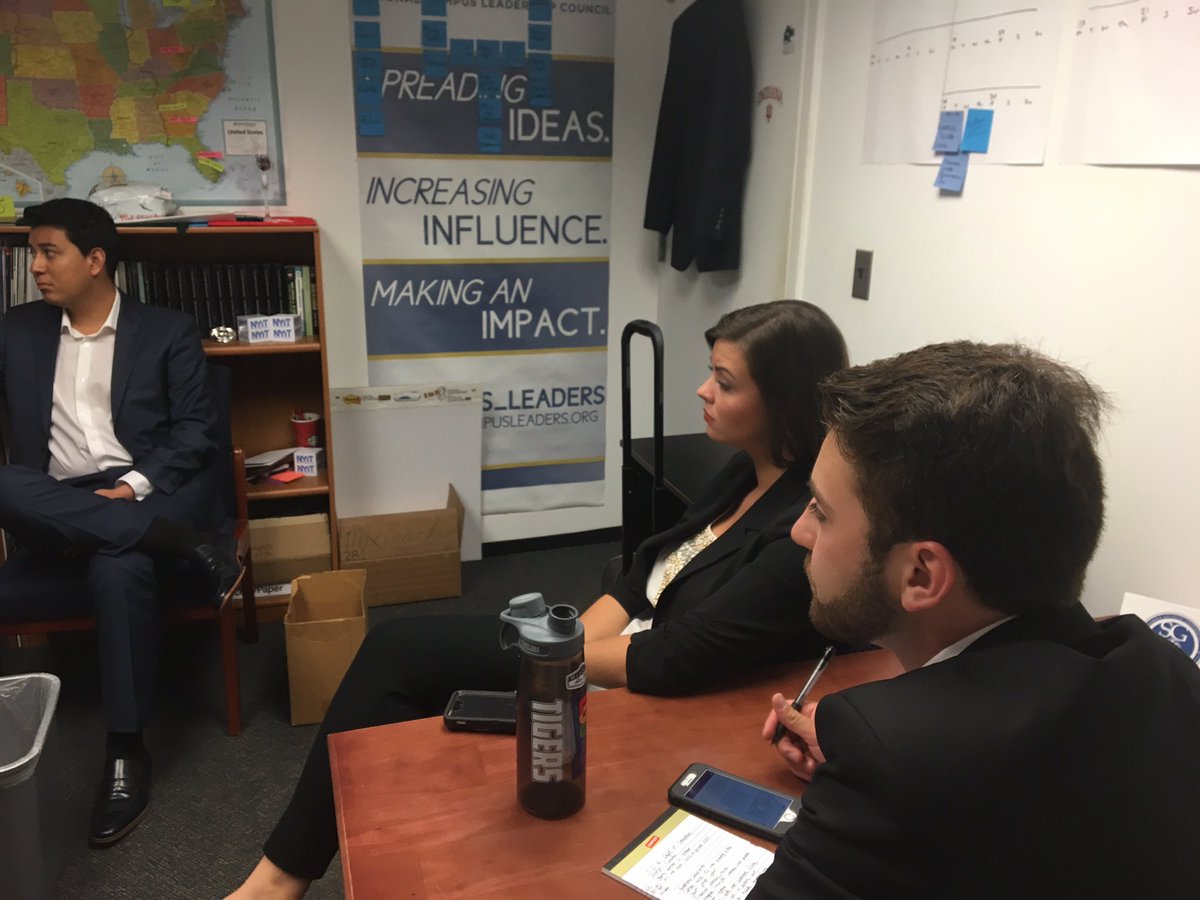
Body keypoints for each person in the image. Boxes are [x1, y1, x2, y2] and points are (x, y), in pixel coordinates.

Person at [227, 300, 849, 898]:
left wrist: (556, 662)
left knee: (398, 654)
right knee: (412, 673)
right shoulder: (747, 467)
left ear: (783, 403)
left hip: (648, 676)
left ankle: (277, 882)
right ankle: (343, 861)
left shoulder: (800, 529)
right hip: (602, 654)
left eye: (725, 382)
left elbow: (677, 654)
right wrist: (567, 643)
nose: (702, 392)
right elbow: (637, 582)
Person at [751, 342, 1200, 899]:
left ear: (921, 574)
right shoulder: (1164, 672)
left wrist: (883, 775)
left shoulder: (892, 756)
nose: (800, 531)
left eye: (821, 510)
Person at [0, 198, 241, 847]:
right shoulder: (17, 330)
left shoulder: (165, 330)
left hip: (139, 490)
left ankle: (126, 749)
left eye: (49, 252)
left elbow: (196, 435)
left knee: (120, 562)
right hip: (52, 501)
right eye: (34, 253)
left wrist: (131, 488)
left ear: (96, 260)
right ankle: (186, 547)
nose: (37, 267)